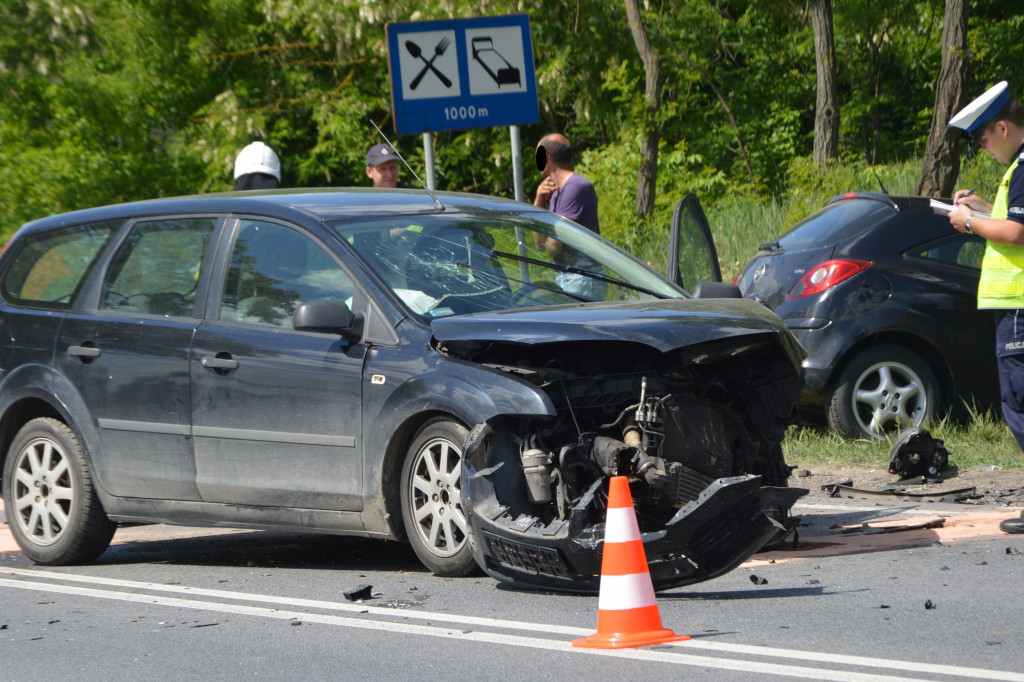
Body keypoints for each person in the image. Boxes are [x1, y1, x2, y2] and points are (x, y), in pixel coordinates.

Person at [947, 81, 1024, 535]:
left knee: (1019, 406)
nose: (982, 146)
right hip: (1015, 307)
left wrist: (971, 222)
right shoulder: (1015, 168)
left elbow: (1016, 234)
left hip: (1019, 308)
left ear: (1002, 126)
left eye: (983, 137)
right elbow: (1012, 218)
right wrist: (978, 208)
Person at [531, 133, 602, 297]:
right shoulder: (556, 192)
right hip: (569, 277)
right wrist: (538, 202)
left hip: (582, 277)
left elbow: (553, 247)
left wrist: (548, 242)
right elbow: (540, 245)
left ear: (546, 156)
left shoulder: (575, 187)